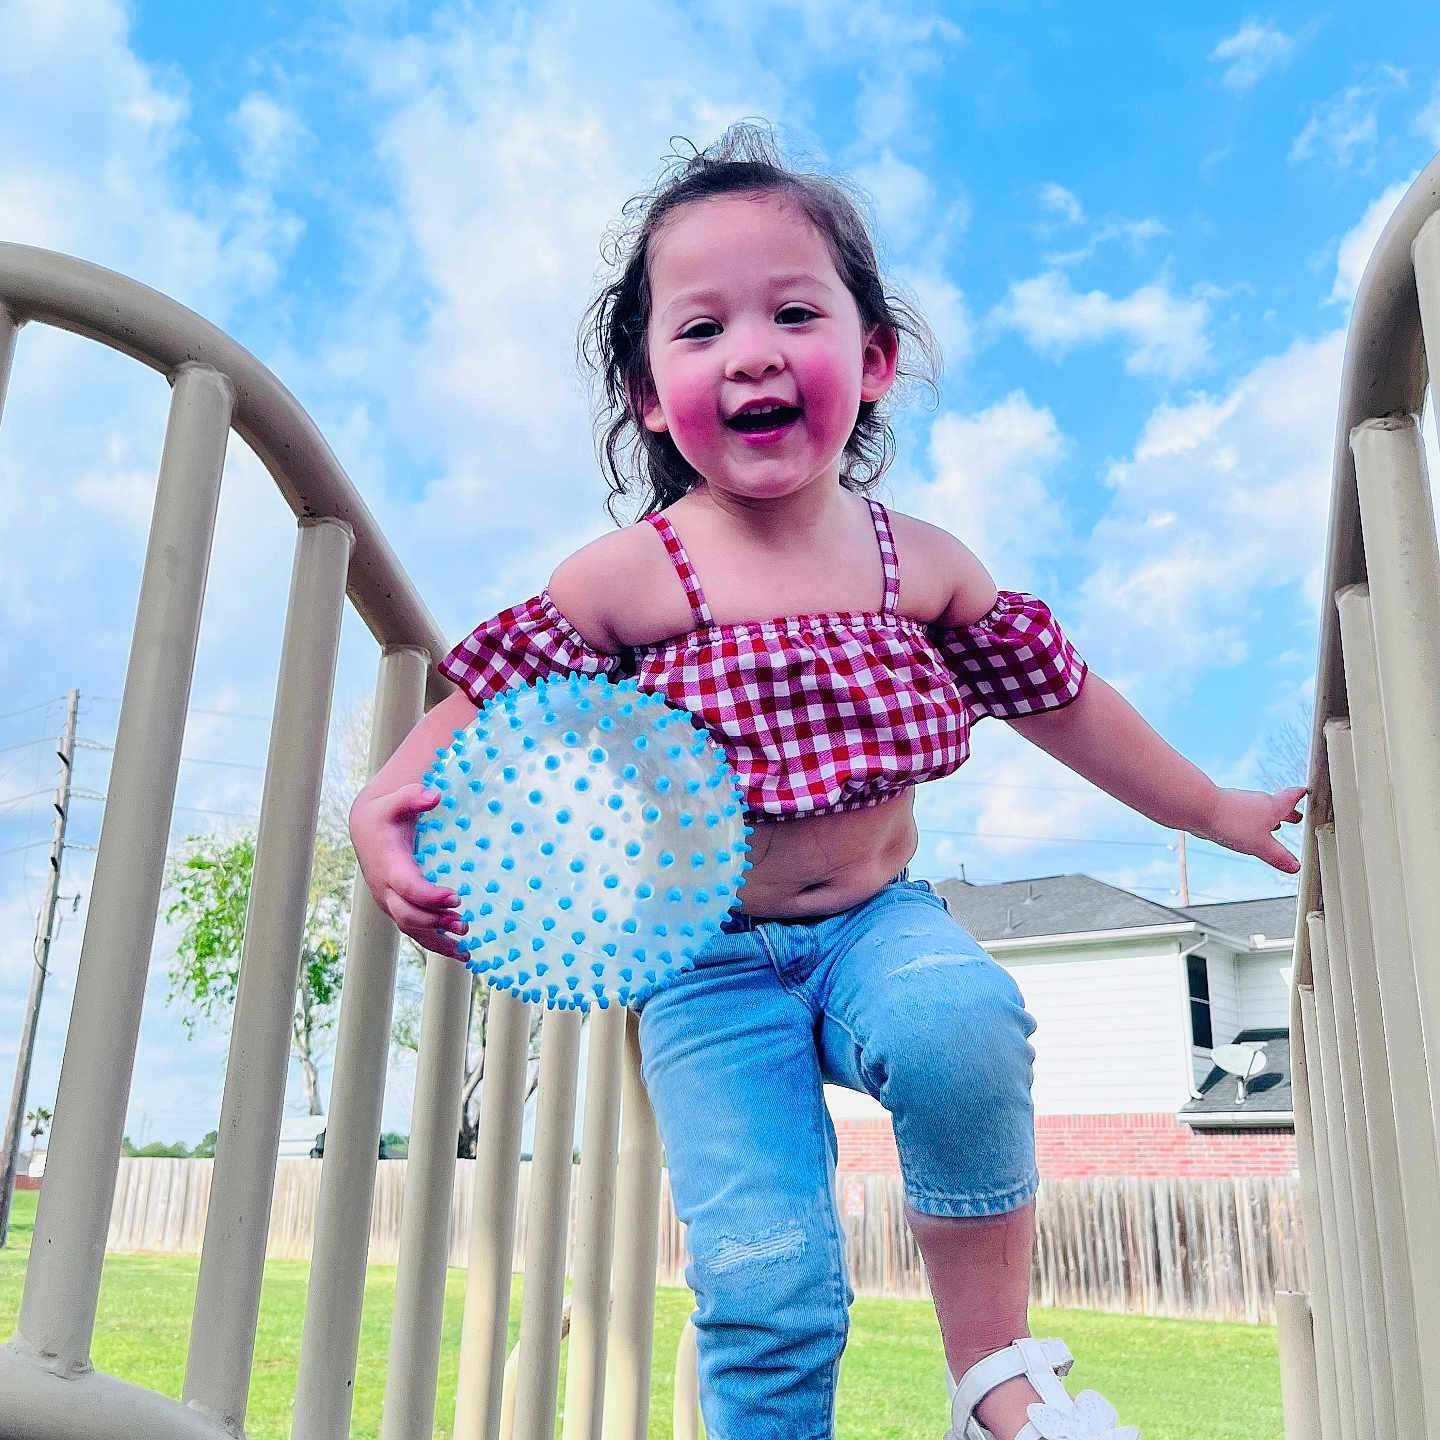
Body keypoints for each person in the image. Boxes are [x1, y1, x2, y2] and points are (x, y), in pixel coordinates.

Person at [349, 124, 1304, 1440]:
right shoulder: (634, 575)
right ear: (645, 392)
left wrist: (1212, 809)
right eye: (699, 330)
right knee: (763, 1280)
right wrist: (390, 788)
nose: (748, 349)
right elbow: (488, 690)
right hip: (704, 959)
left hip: (878, 921)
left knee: (961, 1025)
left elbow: (1066, 703)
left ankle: (996, 1376)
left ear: (870, 360)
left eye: (792, 311)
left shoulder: (917, 564)